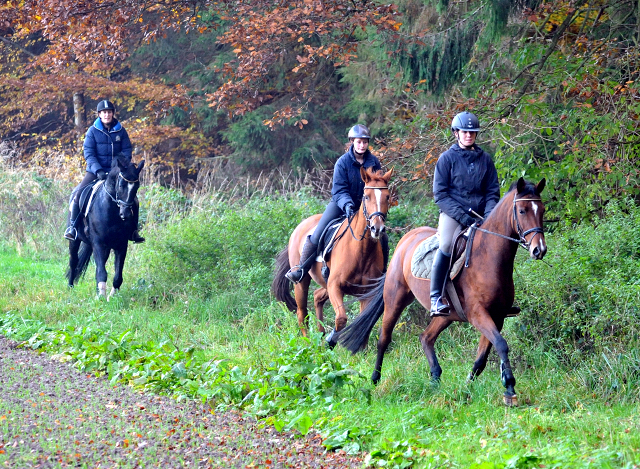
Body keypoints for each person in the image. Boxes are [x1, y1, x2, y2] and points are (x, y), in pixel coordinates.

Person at [285, 124, 387, 283]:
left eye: (365, 142)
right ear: (352, 141)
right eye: (359, 142)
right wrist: (347, 204)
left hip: (367, 208)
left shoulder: (374, 162)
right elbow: (339, 190)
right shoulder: (342, 162)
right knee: (318, 233)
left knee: (383, 237)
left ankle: (382, 274)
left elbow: (377, 187)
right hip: (341, 205)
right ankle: (301, 268)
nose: (362, 145)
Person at [430, 111, 500, 316]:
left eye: (472, 132)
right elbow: (440, 195)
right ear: (456, 133)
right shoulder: (446, 159)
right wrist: (463, 217)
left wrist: (488, 216)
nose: (469, 135)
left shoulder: (485, 159)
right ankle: (436, 297)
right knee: (446, 244)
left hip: (481, 215)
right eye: (464, 132)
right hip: (453, 214)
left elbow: (492, 192)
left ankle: (499, 297)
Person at [63, 100, 145, 243]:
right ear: (99, 114)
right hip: (96, 171)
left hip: (117, 172)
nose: (107, 114)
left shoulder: (121, 131)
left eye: (109, 112)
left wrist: (120, 167)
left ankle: (133, 231)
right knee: (78, 194)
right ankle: (72, 227)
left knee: (134, 201)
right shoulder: (92, 131)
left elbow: (126, 151)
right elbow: (89, 153)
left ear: (113, 113)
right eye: (104, 112)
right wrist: (98, 170)